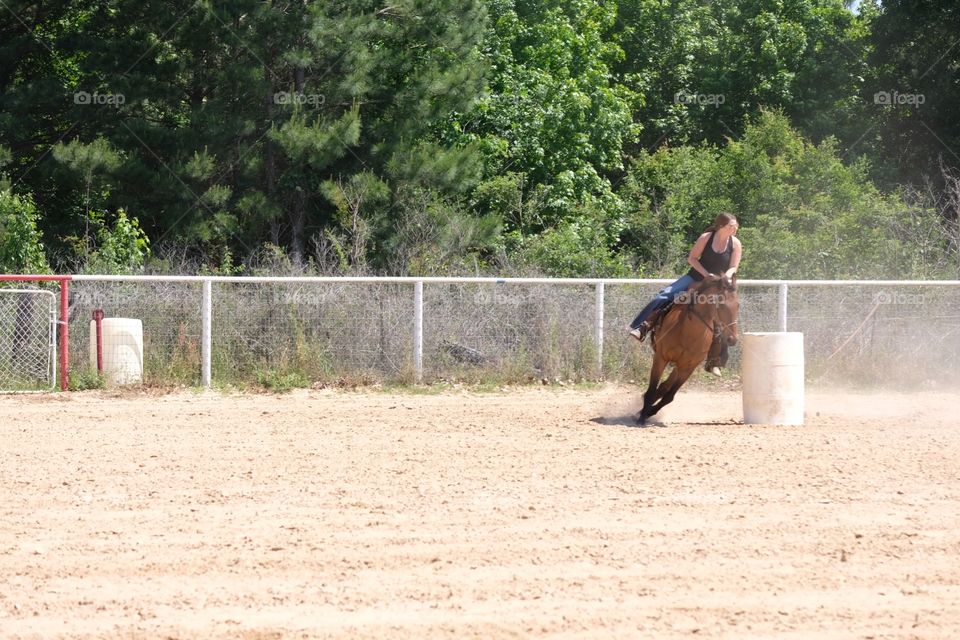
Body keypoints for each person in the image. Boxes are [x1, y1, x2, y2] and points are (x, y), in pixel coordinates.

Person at [628, 213, 741, 345]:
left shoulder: (736, 243)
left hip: (718, 284)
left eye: (736, 226)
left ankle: (718, 357)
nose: (735, 229)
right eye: (732, 226)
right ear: (721, 226)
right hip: (695, 277)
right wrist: (705, 274)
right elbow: (691, 259)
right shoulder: (706, 238)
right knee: (663, 296)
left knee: (729, 307)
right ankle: (642, 327)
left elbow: (733, 266)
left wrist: (726, 276)